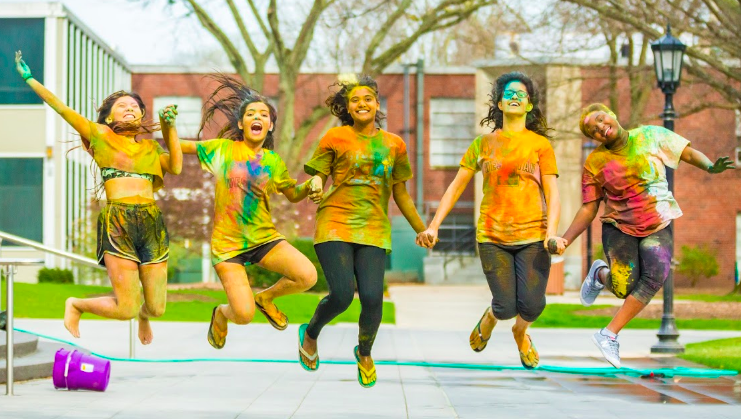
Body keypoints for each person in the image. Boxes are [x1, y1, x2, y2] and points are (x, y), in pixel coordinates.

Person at [14, 51, 182, 344]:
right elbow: (62, 109)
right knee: (126, 308)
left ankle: (145, 316)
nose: (130, 108)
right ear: (108, 116)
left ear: (142, 115)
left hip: (151, 222)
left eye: (135, 106)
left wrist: (170, 128)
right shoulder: (100, 135)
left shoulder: (152, 150)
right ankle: (77, 304)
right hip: (117, 221)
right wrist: (30, 79)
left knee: (156, 307)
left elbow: (177, 167)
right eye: (122, 106)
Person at [551, 103, 734, 368]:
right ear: (595, 138)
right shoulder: (595, 162)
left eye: (601, 120)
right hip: (618, 227)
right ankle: (600, 274)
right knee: (623, 286)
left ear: (612, 114)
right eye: (594, 130)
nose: (601, 128)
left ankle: (609, 334)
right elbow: (590, 206)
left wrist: (709, 167)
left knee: (654, 277)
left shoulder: (650, 135)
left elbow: (687, 153)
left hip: (657, 224)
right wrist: (566, 239)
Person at [417, 72, 561, 370]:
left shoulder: (540, 146)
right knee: (505, 306)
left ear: (530, 106)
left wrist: (552, 233)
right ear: (499, 103)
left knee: (532, 305)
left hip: (533, 236)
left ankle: (521, 334)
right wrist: (433, 226)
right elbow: (455, 187)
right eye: (509, 93)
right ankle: (492, 317)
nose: (515, 97)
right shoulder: (482, 145)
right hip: (492, 237)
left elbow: (553, 193)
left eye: (521, 94)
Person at [298, 75, 426, 387]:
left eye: (367, 98)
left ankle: (364, 352)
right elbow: (318, 175)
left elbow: (401, 194)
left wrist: (422, 229)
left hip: (373, 229)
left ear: (377, 104)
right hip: (335, 223)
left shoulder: (394, 144)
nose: (362, 104)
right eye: (355, 100)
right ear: (347, 107)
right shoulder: (335, 137)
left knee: (371, 298)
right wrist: (315, 184)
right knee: (342, 295)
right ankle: (311, 333)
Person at [177, 74, 319, 348]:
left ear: (270, 124)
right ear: (241, 124)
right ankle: (220, 313)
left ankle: (266, 297)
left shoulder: (272, 161)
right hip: (228, 247)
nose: (258, 117)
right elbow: (181, 147)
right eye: (251, 113)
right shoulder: (223, 150)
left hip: (264, 239)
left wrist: (309, 185)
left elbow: (291, 193)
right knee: (242, 315)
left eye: (264, 114)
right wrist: (167, 127)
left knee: (307, 276)